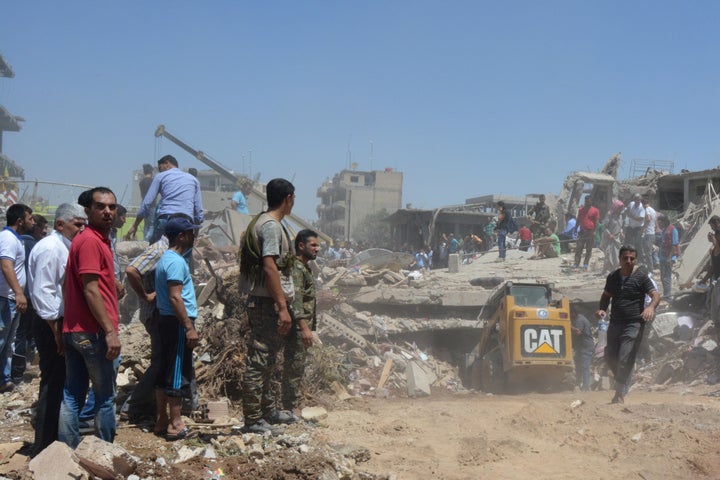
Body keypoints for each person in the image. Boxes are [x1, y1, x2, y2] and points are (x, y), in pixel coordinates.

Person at [58, 187, 120, 448]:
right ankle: (105, 453)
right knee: (104, 396)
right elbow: (90, 288)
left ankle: (65, 454)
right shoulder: (91, 241)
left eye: (111, 207)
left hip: (75, 330)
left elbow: (67, 284)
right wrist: (109, 330)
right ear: (87, 210)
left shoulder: (86, 241)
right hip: (93, 332)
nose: (107, 211)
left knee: (72, 394)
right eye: (100, 206)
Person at [27, 203, 86, 457]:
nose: (82, 228)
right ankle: (43, 446)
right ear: (60, 224)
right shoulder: (51, 248)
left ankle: (53, 442)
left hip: (58, 321)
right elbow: (43, 292)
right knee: (52, 382)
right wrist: (55, 330)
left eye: (84, 224)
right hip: (49, 322)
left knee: (61, 381)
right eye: (77, 223)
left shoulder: (66, 246)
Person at [239, 178, 296, 435]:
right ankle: (252, 419)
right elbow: (270, 267)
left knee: (270, 359)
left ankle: (267, 410)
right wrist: (282, 307)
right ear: (288, 198)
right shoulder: (271, 226)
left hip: (265, 301)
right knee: (259, 361)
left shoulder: (261, 221)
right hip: (267, 303)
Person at [154, 217, 201, 440]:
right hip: (177, 322)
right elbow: (175, 297)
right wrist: (189, 327)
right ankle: (175, 423)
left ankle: (162, 420)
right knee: (176, 372)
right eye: (192, 233)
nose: (195, 237)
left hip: (168, 321)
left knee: (165, 369)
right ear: (181, 236)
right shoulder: (175, 262)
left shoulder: (168, 259)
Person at [596, 245, 660, 404]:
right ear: (619, 259)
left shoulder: (641, 277)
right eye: (625, 258)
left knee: (624, 357)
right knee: (610, 356)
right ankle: (623, 381)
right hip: (615, 323)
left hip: (634, 324)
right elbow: (606, 296)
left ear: (635, 260)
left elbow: (656, 295)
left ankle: (619, 392)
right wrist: (602, 310)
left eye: (632, 259)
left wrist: (650, 307)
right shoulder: (612, 277)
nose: (629, 261)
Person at [282, 229, 319, 418]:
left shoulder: (305, 268)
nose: (317, 249)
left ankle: (291, 406)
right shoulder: (297, 268)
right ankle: (290, 408)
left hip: (301, 327)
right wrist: (305, 328)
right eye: (313, 245)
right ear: (301, 246)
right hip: (297, 328)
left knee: (297, 366)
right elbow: (295, 301)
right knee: (294, 368)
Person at [126, 155, 204, 243]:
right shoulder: (193, 180)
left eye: (160, 168)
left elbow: (146, 203)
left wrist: (135, 225)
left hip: (166, 220)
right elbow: (198, 210)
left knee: (157, 251)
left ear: (167, 163)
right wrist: (195, 233)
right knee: (182, 254)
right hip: (185, 221)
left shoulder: (160, 176)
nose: (160, 171)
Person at [0, 203, 35, 393]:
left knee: (7, 343)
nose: (32, 222)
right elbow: (6, 266)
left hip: (10, 298)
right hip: (5, 298)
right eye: (30, 218)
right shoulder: (7, 238)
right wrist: (19, 293)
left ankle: (4, 380)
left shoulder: (16, 239)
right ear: (20, 221)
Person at [11, 213, 48, 384]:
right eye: (43, 228)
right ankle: (19, 372)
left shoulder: (16, 242)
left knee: (18, 334)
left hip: (15, 295)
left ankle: (17, 370)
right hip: (28, 296)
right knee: (24, 334)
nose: (46, 232)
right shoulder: (37, 246)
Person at [571, 309, 594, 391]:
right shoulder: (580, 318)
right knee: (578, 366)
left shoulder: (579, 320)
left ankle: (586, 387)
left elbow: (578, 332)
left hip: (586, 347)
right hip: (580, 347)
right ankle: (578, 384)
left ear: (574, 313)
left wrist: (569, 326)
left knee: (584, 367)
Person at [573, 196, 600, 270]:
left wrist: (595, 231)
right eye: (586, 201)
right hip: (582, 231)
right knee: (579, 247)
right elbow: (578, 219)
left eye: (588, 201)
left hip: (590, 231)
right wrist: (575, 228)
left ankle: (585, 264)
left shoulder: (595, 210)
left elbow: (596, 222)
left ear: (591, 201)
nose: (587, 202)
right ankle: (576, 263)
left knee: (588, 248)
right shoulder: (581, 210)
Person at [657, 215, 678, 301]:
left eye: (660, 222)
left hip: (668, 258)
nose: (658, 224)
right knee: (663, 277)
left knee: (667, 277)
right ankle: (666, 295)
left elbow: (674, 244)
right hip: (663, 257)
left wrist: (669, 258)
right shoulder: (664, 230)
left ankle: (668, 297)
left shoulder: (673, 230)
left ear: (664, 221)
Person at [600, 200, 624, 274]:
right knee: (608, 255)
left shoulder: (620, 216)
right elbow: (604, 227)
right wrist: (609, 234)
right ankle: (606, 270)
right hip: (608, 238)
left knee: (616, 255)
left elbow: (620, 226)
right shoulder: (609, 214)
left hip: (616, 238)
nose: (621, 210)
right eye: (620, 208)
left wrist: (621, 232)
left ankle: (614, 269)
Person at [139, 164, 155, 241]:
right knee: (152, 224)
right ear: (151, 172)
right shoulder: (153, 182)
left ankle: (145, 241)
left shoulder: (141, 182)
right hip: (152, 205)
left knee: (146, 224)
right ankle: (147, 240)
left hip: (144, 204)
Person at [640, 196, 657, 272]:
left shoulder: (647, 209)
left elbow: (648, 219)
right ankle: (651, 267)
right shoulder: (653, 210)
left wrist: (643, 228)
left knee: (648, 252)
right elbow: (656, 222)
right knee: (649, 251)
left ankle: (650, 269)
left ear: (643, 204)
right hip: (652, 233)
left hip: (649, 233)